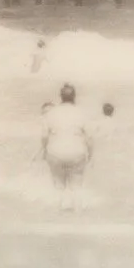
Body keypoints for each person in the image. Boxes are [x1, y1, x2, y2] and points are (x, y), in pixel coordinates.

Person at [40, 83, 94, 213]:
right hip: (77, 152)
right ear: (74, 96)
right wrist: (90, 155)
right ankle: (78, 214)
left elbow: (44, 136)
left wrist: (44, 151)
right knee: (76, 185)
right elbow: (89, 138)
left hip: (55, 152)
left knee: (58, 185)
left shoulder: (51, 113)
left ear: (60, 97)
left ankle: (56, 214)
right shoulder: (81, 112)